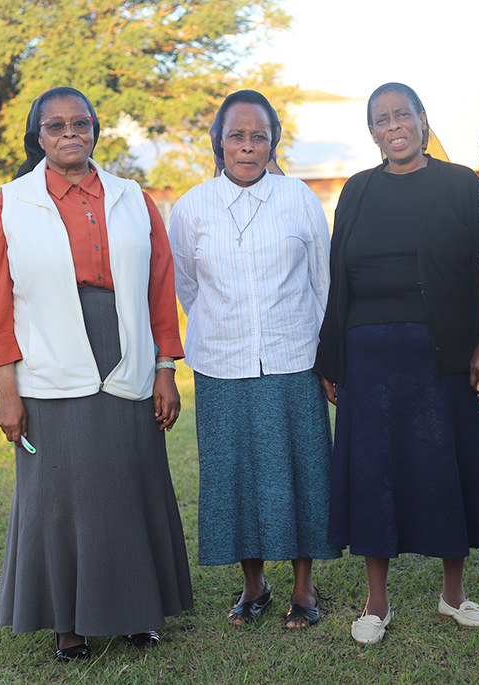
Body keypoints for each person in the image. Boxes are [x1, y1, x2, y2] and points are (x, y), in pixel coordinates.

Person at [0, 86, 193, 661]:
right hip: (48, 362)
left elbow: (160, 287)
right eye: (56, 126)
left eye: (81, 123)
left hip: (127, 352)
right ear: (38, 137)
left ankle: (137, 613)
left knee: (131, 482)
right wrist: (7, 391)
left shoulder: (131, 197)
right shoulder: (10, 203)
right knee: (57, 496)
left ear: (96, 129)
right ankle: (67, 624)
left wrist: (166, 369)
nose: (70, 134)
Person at [314, 82, 479, 646]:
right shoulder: (355, 190)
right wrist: (331, 354)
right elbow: (338, 276)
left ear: (423, 121)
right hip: (367, 357)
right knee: (373, 473)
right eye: (382, 118)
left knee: (444, 466)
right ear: (372, 131)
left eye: (403, 114)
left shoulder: (459, 184)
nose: (394, 125)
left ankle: (453, 594)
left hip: (443, 352)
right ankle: (377, 602)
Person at [168, 90, 341, 629]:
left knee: (301, 471)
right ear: (219, 141)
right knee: (235, 475)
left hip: (294, 360)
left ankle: (304, 586)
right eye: (237, 135)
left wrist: (328, 357)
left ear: (274, 141)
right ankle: (254, 585)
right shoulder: (192, 206)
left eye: (259, 135)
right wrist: (231, 329)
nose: (248, 146)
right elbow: (186, 287)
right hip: (221, 366)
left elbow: (324, 282)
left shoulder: (298, 198)